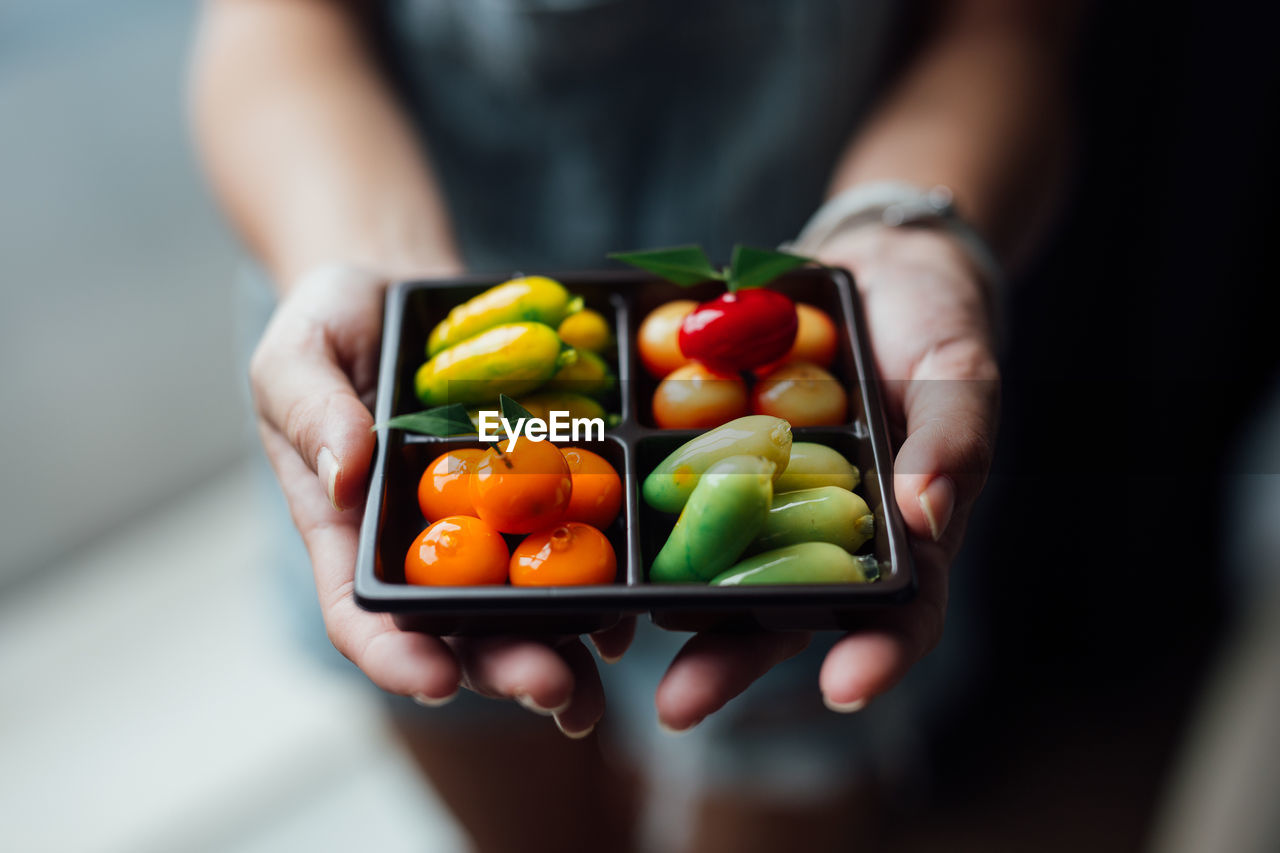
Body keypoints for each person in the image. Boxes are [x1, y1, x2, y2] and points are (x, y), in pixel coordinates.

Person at [191, 0, 1076, 849]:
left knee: (793, 772)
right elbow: (275, 18)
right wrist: (363, 260)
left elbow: (1007, 24)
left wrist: (905, 230)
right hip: (397, 358)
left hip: (852, 328)